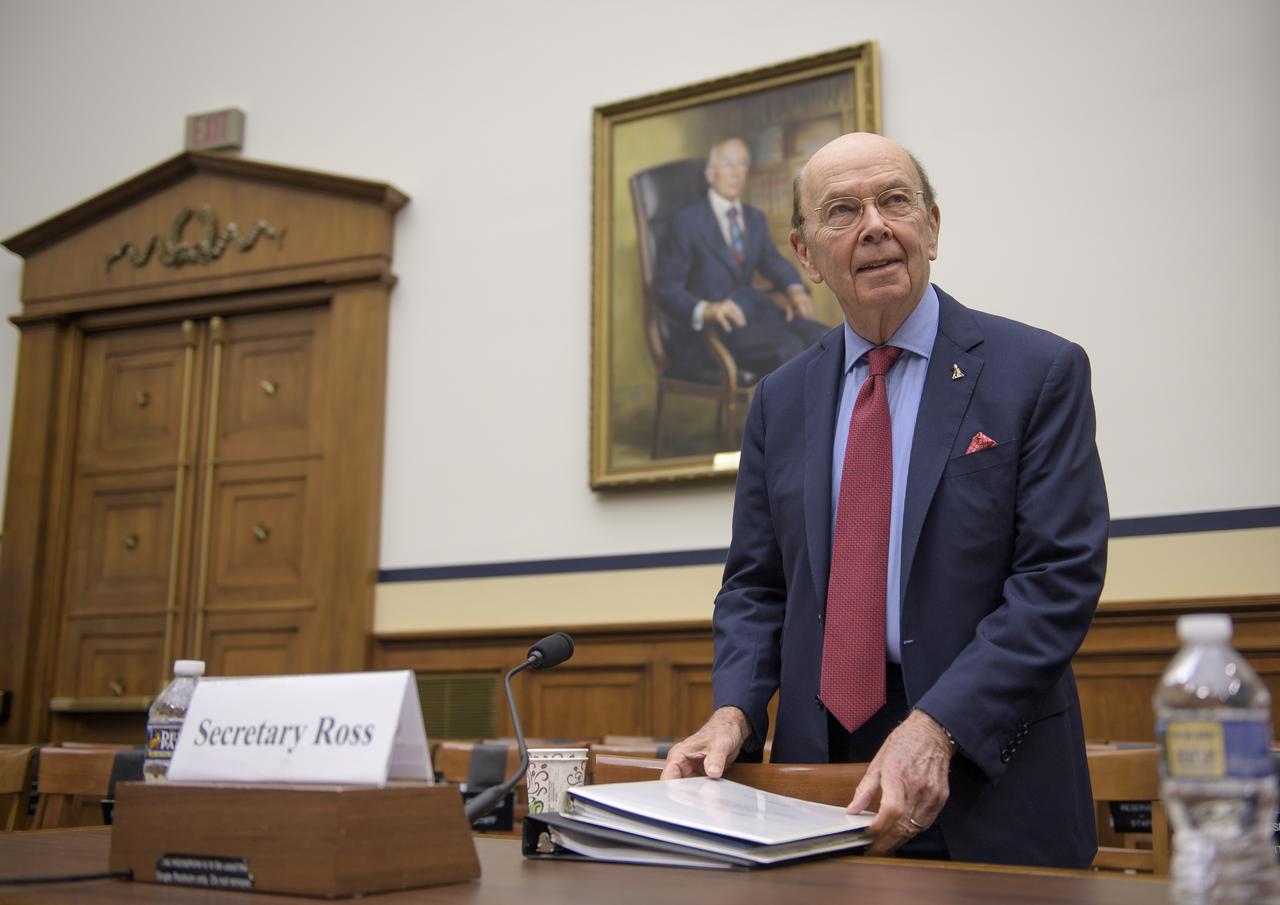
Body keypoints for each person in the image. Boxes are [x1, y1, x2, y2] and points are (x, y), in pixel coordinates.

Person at [661, 132, 1109, 869]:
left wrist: (938, 726)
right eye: (843, 211)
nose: (874, 225)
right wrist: (734, 709)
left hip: (987, 771)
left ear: (931, 226)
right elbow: (755, 587)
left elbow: (1057, 578)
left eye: (894, 201)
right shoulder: (779, 400)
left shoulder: (1038, 372)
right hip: (816, 777)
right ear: (805, 254)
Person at [652, 137, 828, 380]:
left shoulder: (754, 218)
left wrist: (794, 289)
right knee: (789, 349)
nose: (736, 172)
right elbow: (666, 290)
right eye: (727, 164)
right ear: (710, 174)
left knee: (823, 339)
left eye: (742, 164)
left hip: (757, 314)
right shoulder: (685, 223)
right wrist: (707, 309)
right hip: (713, 331)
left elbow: (773, 261)